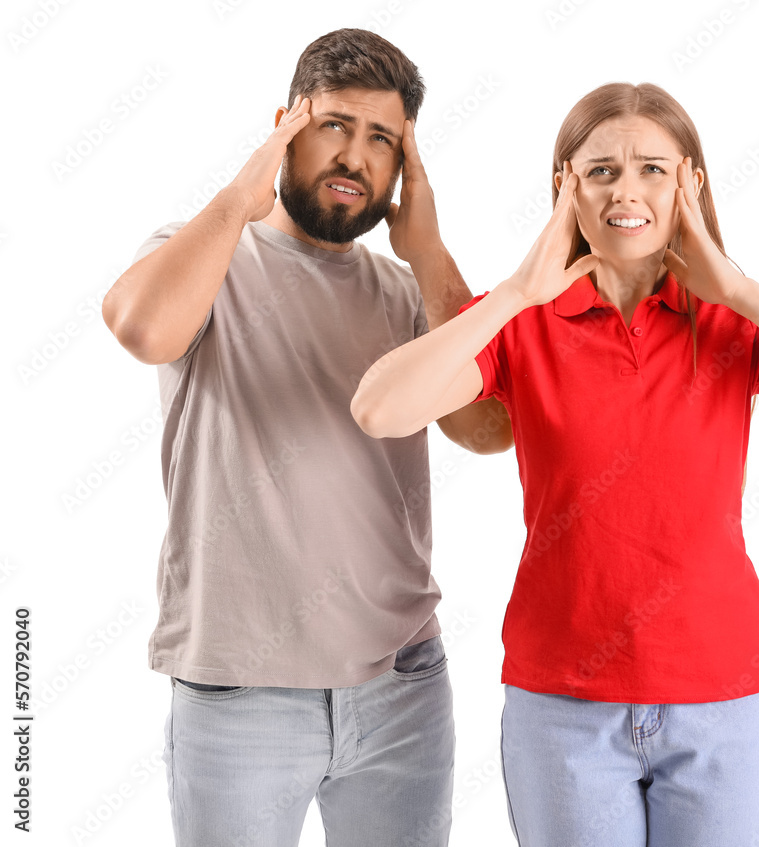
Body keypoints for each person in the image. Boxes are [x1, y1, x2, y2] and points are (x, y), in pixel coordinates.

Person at [351, 82, 759, 847]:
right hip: (562, 706)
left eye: (652, 168)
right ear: (565, 185)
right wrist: (516, 292)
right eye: (601, 170)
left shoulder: (729, 320)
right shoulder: (523, 322)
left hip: (722, 699)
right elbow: (380, 409)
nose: (626, 190)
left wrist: (742, 290)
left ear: (690, 183)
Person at [101, 28, 512, 847]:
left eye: (382, 139)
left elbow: (485, 427)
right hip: (240, 692)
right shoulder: (204, 256)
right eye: (334, 126)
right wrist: (243, 192)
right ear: (285, 126)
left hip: (401, 686)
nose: (355, 156)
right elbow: (143, 328)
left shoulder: (406, 294)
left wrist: (429, 252)